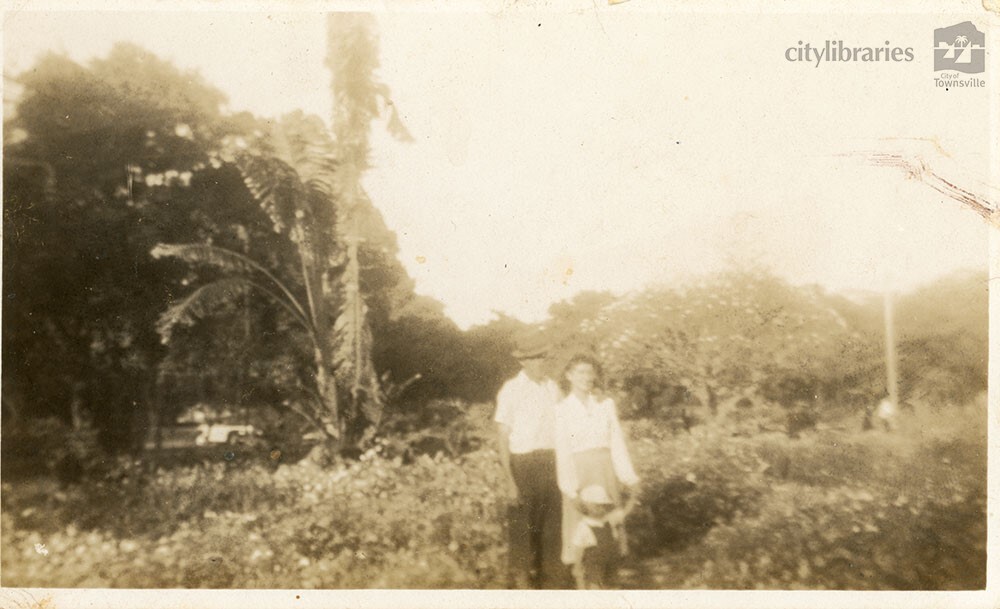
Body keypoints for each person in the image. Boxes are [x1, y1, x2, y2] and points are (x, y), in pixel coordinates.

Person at [554, 354, 640, 589]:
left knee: (608, 537)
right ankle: (585, 589)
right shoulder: (562, 409)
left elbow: (616, 442)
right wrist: (570, 490)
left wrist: (628, 477)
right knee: (583, 539)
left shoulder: (605, 404)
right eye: (580, 372)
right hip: (580, 475)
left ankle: (608, 589)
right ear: (569, 376)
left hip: (606, 473)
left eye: (590, 372)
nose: (586, 378)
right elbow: (563, 451)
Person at [494, 336, 566, 589]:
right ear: (523, 361)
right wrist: (510, 482)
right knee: (521, 528)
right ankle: (522, 587)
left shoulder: (552, 387)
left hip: (551, 461)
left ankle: (552, 585)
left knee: (552, 527)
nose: (540, 362)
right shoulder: (511, 390)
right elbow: (502, 437)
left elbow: (563, 428)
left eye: (542, 356)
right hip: (523, 463)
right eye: (534, 358)